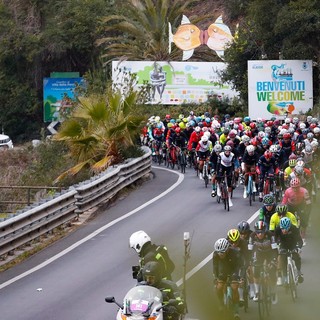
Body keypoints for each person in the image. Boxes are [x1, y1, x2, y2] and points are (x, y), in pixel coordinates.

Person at [248, 221, 278, 304]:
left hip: (270, 253)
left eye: (262, 232)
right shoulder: (252, 236)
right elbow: (249, 251)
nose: (260, 234)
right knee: (256, 272)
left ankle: (273, 292)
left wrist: (274, 260)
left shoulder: (270, 235)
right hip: (259, 253)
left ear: (265, 231)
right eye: (258, 232)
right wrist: (250, 261)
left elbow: (275, 250)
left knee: (272, 271)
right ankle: (257, 292)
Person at [213, 238, 243, 320]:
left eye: (222, 252)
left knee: (234, 288)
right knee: (219, 287)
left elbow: (240, 266)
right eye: (218, 252)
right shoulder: (216, 254)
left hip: (234, 269)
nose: (220, 254)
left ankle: (236, 311)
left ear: (227, 249)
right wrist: (215, 277)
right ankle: (221, 303)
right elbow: (215, 267)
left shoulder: (235, 253)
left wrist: (240, 278)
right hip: (223, 269)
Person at [282, 178, 312, 246]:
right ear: (291, 187)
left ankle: (303, 236)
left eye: (297, 187)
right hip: (290, 205)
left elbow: (308, 203)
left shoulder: (304, 191)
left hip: (300, 205)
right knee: (287, 219)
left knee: (304, 219)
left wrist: (307, 213)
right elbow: (283, 202)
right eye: (293, 188)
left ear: (300, 186)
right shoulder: (288, 191)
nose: (295, 189)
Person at [274, 217, 304, 285]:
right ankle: (283, 276)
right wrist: (276, 246)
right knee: (282, 259)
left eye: (286, 228)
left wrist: (298, 248)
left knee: (296, 256)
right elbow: (274, 240)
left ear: (289, 227)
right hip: (283, 244)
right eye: (283, 229)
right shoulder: (277, 229)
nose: (284, 230)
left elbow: (300, 240)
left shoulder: (294, 229)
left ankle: (299, 272)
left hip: (292, 244)